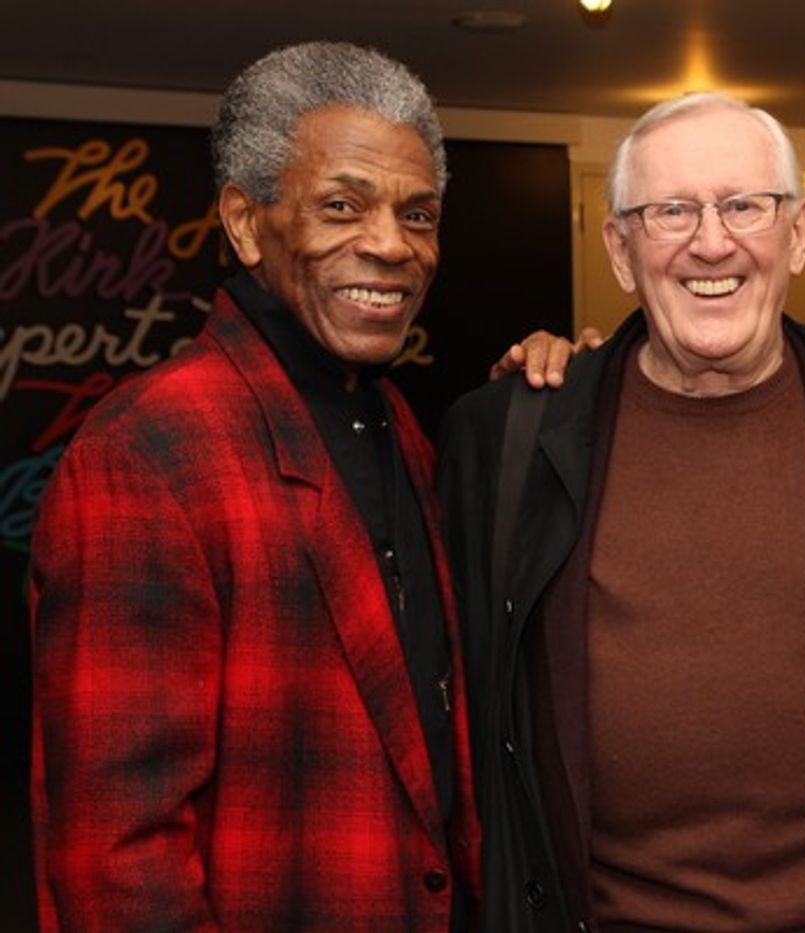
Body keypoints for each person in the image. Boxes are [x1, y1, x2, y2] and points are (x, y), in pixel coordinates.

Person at [437, 92, 805, 931]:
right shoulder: (505, 442)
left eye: (745, 205)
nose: (711, 242)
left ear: (798, 233)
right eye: (671, 211)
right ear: (620, 249)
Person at [28, 42, 478, 931]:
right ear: (243, 222)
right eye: (342, 205)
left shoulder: (398, 426)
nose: (391, 245)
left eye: (417, 214)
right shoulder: (148, 450)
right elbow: (117, 857)